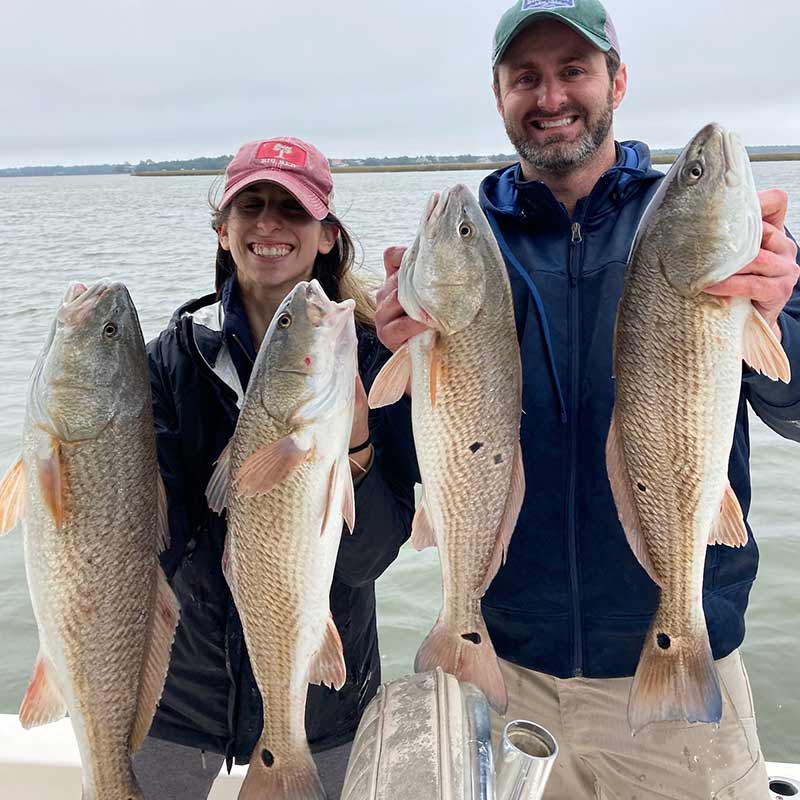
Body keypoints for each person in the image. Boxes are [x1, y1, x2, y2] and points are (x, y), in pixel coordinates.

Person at [374, 2, 800, 798]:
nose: (551, 96)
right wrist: (384, 350)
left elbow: (795, 407)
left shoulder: (688, 229)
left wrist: (782, 308)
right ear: (497, 93)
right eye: (525, 77)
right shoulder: (468, 251)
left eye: (574, 70)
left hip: (682, 654)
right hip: (505, 668)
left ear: (618, 80)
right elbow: (414, 461)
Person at [136, 137, 415, 799]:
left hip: (326, 709)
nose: (268, 223)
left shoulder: (376, 363)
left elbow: (367, 559)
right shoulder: (170, 361)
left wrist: (352, 446)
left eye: (292, 208)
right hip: (181, 703)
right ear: (222, 230)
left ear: (326, 236)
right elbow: (158, 538)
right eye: (251, 205)